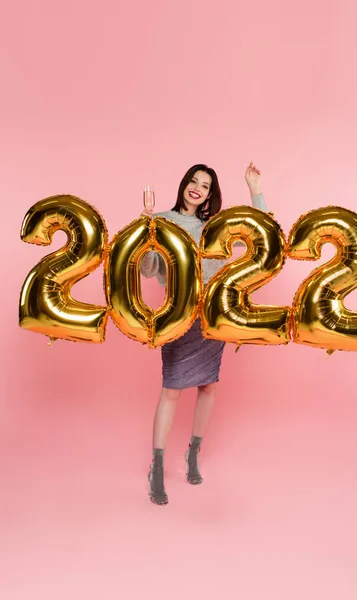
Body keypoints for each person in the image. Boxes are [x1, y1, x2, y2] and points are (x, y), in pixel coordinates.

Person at [140, 162, 269, 505]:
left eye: (206, 185)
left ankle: (194, 453)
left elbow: (264, 234)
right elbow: (148, 269)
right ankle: (157, 465)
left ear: (211, 195)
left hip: (212, 314)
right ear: (184, 185)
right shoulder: (163, 221)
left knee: (208, 386)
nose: (198, 188)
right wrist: (146, 232)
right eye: (194, 181)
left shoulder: (214, 228)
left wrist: (254, 188)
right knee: (171, 389)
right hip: (178, 314)